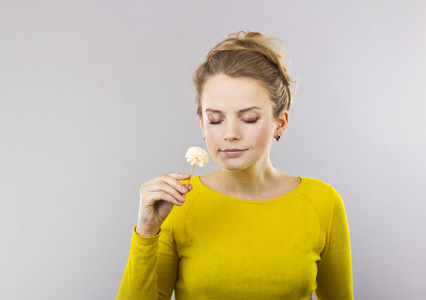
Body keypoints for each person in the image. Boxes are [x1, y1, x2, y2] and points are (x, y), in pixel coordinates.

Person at [117, 31, 353, 300]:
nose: (229, 133)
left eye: (249, 118)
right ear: (202, 125)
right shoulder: (178, 202)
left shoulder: (323, 202)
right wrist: (147, 232)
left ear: (281, 122)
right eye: (215, 120)